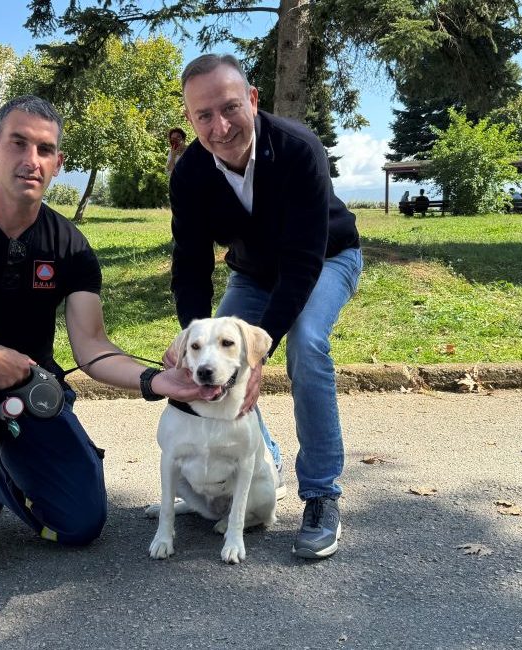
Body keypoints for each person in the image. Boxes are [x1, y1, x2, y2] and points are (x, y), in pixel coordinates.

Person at [0, 96, 221, 588]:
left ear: (58, 163)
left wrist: (155, 380)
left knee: (80, 524)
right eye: (18, 143)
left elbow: (92, 347)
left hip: (26, 392)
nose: (30, 160)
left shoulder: (69, 245)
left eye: (44, 149)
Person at [168, 54, 362, 560]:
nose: (220, 126)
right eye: (204, 115)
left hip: (327, 258)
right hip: (253, 272)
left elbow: (302, 265)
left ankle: (321, 495)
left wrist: (261, 350)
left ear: (253, 99)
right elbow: (190, 266)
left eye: (230, 107)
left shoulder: (299, 149)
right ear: (190, 118)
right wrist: (191, 342)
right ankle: (264, 460)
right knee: (220, 356)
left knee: (306, 344)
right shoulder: (189, 174)